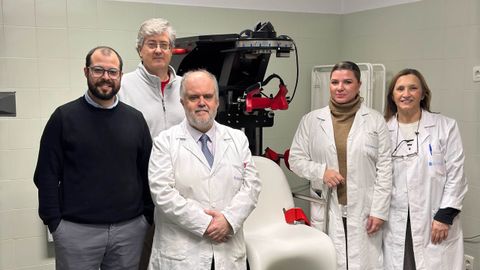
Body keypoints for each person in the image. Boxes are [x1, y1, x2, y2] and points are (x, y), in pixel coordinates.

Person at [33, 46, 153, 270]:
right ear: (86, 72)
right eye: (98, 70)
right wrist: (55, 224)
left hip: (129, 231)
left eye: (112, 71)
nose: (106, 77)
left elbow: (147, 172)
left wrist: (147, 216)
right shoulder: (63, 117)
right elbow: (46, 174)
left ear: (120, 76)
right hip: (76, 232)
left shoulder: (135, 120)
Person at [147, 69, 261, 270]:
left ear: (217, 101)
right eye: (193, 97)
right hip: (182, 253)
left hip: (227, 248)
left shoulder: (237, 139)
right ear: (182, 103)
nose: (202, 102)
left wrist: (228, 220)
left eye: (208, 96)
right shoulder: (164, 141)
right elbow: (162, 193)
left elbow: (251, 186)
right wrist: (206, 224)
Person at [289, 61, 392, 269]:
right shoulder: (311, 120)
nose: (340, 87)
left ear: (358, 85)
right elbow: (295, 159)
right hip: (327, 205)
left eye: (347, 82)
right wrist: (321, 172)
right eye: (335, 82)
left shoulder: (374, 120)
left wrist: (379, 210)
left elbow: (385, 168)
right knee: (330, 261)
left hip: (365, 207)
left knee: (363, 262)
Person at [382, 68, 468, 270]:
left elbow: (457, 174)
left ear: (423, 94)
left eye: (413, 88)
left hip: (434, 217)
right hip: (396, 218)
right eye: (400, 89)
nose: (406, 94)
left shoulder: (445, 127)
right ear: (392, 96)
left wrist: (444, 216)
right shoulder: (382, 130)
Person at [118, 18, 184, 138]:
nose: (158, 50)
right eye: (152, 44)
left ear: (171, 51)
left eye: (164, 45)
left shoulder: (185, 86)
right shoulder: (121, 86)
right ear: (140, 50)